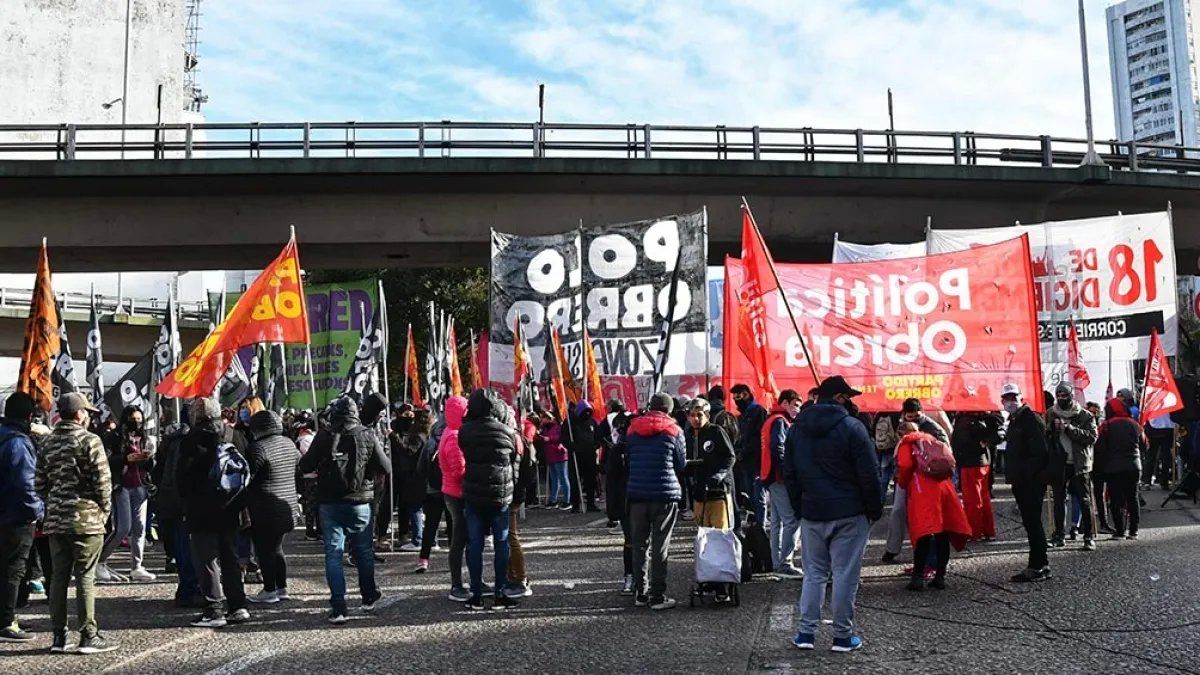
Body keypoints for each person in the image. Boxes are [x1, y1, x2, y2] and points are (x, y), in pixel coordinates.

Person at [784, 377, 881, 653]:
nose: (851, 401)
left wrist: (800, 507)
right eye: (847, 397)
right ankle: (842, 636)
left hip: (813, 511)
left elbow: (789, 473)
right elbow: (869, 474)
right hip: (850, 512)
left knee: (813, 574)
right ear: (839, 398)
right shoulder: (853, 427)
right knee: (844, 575)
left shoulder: (797, 429)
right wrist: (874, 510)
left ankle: (806, 633)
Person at [297, 396, 391, 624]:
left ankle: (339, 607)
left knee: (333, 553)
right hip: (360, 502)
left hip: (330, 503)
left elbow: (305, 465)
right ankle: (368, 596)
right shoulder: (366, 434)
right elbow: (385, 467)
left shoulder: (324, 435)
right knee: (364, 551)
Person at [36, 393, 118, 654]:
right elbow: (103, 482)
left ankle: (59, 636)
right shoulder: (90, 440)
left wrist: (54, 503)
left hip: (56, 520)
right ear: (80, 413)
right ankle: (88, 635)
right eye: (87, 412)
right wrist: (104, 511)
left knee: (58, 578)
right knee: (85, 576)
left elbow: (39, 484)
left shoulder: (47, 442)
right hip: (86, 519)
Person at [178, 398, 251, 628]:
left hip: (201, 509)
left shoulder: (191, 440)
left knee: (207, 560)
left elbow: (182, 479)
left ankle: (214, 609)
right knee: (230, 557)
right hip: (231, 506)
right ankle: (238, 605)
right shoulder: (234, 436)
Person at [457, 389, 520, 611]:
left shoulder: (465, 432)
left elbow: (464, 452)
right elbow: (513, 457)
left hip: (474, 493)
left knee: (475, 544)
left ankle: (476, 594)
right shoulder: (507, 432)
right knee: (501, 543)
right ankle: (500, 592)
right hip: (500, 494)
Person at [626, 393, 687, 611]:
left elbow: (628, 456)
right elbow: (681, 463)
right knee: (661, 546)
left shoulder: (632, 429)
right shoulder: (674, 430)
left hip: (637, 493)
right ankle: (658, 595)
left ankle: (640, 593)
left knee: (639, 545)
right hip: (664, 494)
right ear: (669, 409)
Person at [894, 422, 972, 591]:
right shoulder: (931, 439)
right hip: (944, 487)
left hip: (922, 490)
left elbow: (905, 466)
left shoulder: (907, 443)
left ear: (901, 433)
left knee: (923, 532)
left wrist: (902, 482)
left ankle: (918, 577)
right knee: (942, 532)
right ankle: (940, 576)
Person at [244, 410, 301, 605]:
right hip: (287, 506)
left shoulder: (258, 448)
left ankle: (269, 590)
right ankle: (281, 587)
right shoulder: (289, 444)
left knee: (264, 550)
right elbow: (299, 467)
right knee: (277, 548)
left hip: (264, 507)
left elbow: (248, 477)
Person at [0, 392, 43, 642]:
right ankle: (6, 621)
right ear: (29, 416)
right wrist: (38, 511)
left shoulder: (3, 435)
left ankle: (7, 616)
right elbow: (26, 484)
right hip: (16, 515)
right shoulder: (19, 442)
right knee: (14, 569)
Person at [97, 405, 155, 584]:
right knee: (123, 528)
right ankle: (99, 560)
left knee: (140, 528)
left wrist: (148, 459)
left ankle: (137, 566)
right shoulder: (114, 437)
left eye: (139, 420)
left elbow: (151, 465)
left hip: (141, 485)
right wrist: (125, 459)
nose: (136, 423)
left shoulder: (144, 438)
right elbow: (106, 460)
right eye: (133, 419)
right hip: (122, 485)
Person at [1002, 384, 1053, 582]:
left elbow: (1040, 453)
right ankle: (1039, 563)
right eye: (1007, 398)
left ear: (1021, 398)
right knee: (1031, 523)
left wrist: (1025, 475)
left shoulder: (1030, 419)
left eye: (1013, 397)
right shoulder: (1015, 420)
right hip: (1021, 480)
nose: (1010, 402)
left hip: (1031, 481)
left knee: (1033, 523)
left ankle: (1038, 566)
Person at [152, 412, 202, 608]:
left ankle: (187, 587)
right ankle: (190, 589)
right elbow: (176, 476)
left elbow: (159, 473)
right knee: (187, 547)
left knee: (181, 547)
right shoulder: (184, 445)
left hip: (169, 502)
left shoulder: (169, 444)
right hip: (181, 502)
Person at [1047, 383, 1098, 551]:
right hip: (1059, 463)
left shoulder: (1084, 415)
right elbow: (1044, 437)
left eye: (1064, 395)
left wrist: (1070, 429)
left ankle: (1088, 537)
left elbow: (1091, 437)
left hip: (1079, 463)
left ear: (1071, 396)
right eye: (1058, 396)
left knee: (1084, 500)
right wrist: (1052, 430)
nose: (1061, 398)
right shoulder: (1051, 413)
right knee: (1059, 500)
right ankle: (1059, 535)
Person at [760, 389, 804, 578]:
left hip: (770, 475)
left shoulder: (771, 419)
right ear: (784, 403)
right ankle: (785, 563)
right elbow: (778, 448)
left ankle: (776, 562)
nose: (798, 409)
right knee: (792, 520)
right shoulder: (780, 421)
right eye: (795, 405)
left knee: (777, 522)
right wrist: (787, 473)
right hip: (779, 477)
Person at [1095, 398, 1148, 540]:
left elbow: (1099, 447)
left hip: (1113, 467)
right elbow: (1145, 445)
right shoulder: (1134, 424)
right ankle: (1133, 531)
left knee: (1116, 499)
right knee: (1132, 498)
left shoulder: (1106, 426)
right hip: (1134, 465)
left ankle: (1120, 531)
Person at [436, 395, 470, 601]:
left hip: (452, 491)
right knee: (460, 539)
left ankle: (465, 581)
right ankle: (456, 584)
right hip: (457, 493)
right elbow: (459, 470)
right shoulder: (455, 436)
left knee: (462, 538)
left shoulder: (451, 432)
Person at [951, 411, 1003, 541]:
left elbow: (961, 442)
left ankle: (975, 532)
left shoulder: (968, 420)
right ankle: (987, 530)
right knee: (983, 498)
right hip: (980, 461)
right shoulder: (981, 418)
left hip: (970, 463)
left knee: (972, 500)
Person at [393, 410, 432, 553]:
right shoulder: (428, 435)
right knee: (424, 509)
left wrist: (395, 438)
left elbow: (409, 451)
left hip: (415, 475)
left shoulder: (417, 437)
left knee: (415, 507)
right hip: (424, 475)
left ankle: (417, 540)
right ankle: (429, 539)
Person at [731, 384, 769, 524]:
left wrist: (744, 451)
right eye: (734, 397)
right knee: (748, 494)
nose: (736, 400)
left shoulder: (758, 412)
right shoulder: (742, 415)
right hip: (745, 461)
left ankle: (760, 525)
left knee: (758, 494)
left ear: (747, 394)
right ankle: (754, 522)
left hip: (757, 460)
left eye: (739, 396)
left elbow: (759, 438)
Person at [567, 401, 601, 513]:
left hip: (590, 456)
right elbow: (564, 438)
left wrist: (596, 445)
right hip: (576, 456)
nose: (586, 414)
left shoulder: (592, 422)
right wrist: (572, 446)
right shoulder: (570, 422)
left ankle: (591, 503)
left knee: (590, 481)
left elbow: (598, 436)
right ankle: (575, 505)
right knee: (575, 481)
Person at [542, 412, 571, 509]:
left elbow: (561, 438)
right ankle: (553, 500)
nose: (542, 420)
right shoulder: (545, 428)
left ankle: (567, 500)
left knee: (563, 478)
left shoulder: (558, 427)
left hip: (559, 455)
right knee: (554, 479)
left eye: (544, 418)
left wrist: (550, 438)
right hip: (550, 456)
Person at [1144, 414, 1175, 489]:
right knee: (1165, 457)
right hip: (1167, 428)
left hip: (1153, 429)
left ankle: (1147, 482)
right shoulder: (1168, 406)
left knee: (1151, 457)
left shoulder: (1152, 405)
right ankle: (1164, 482)